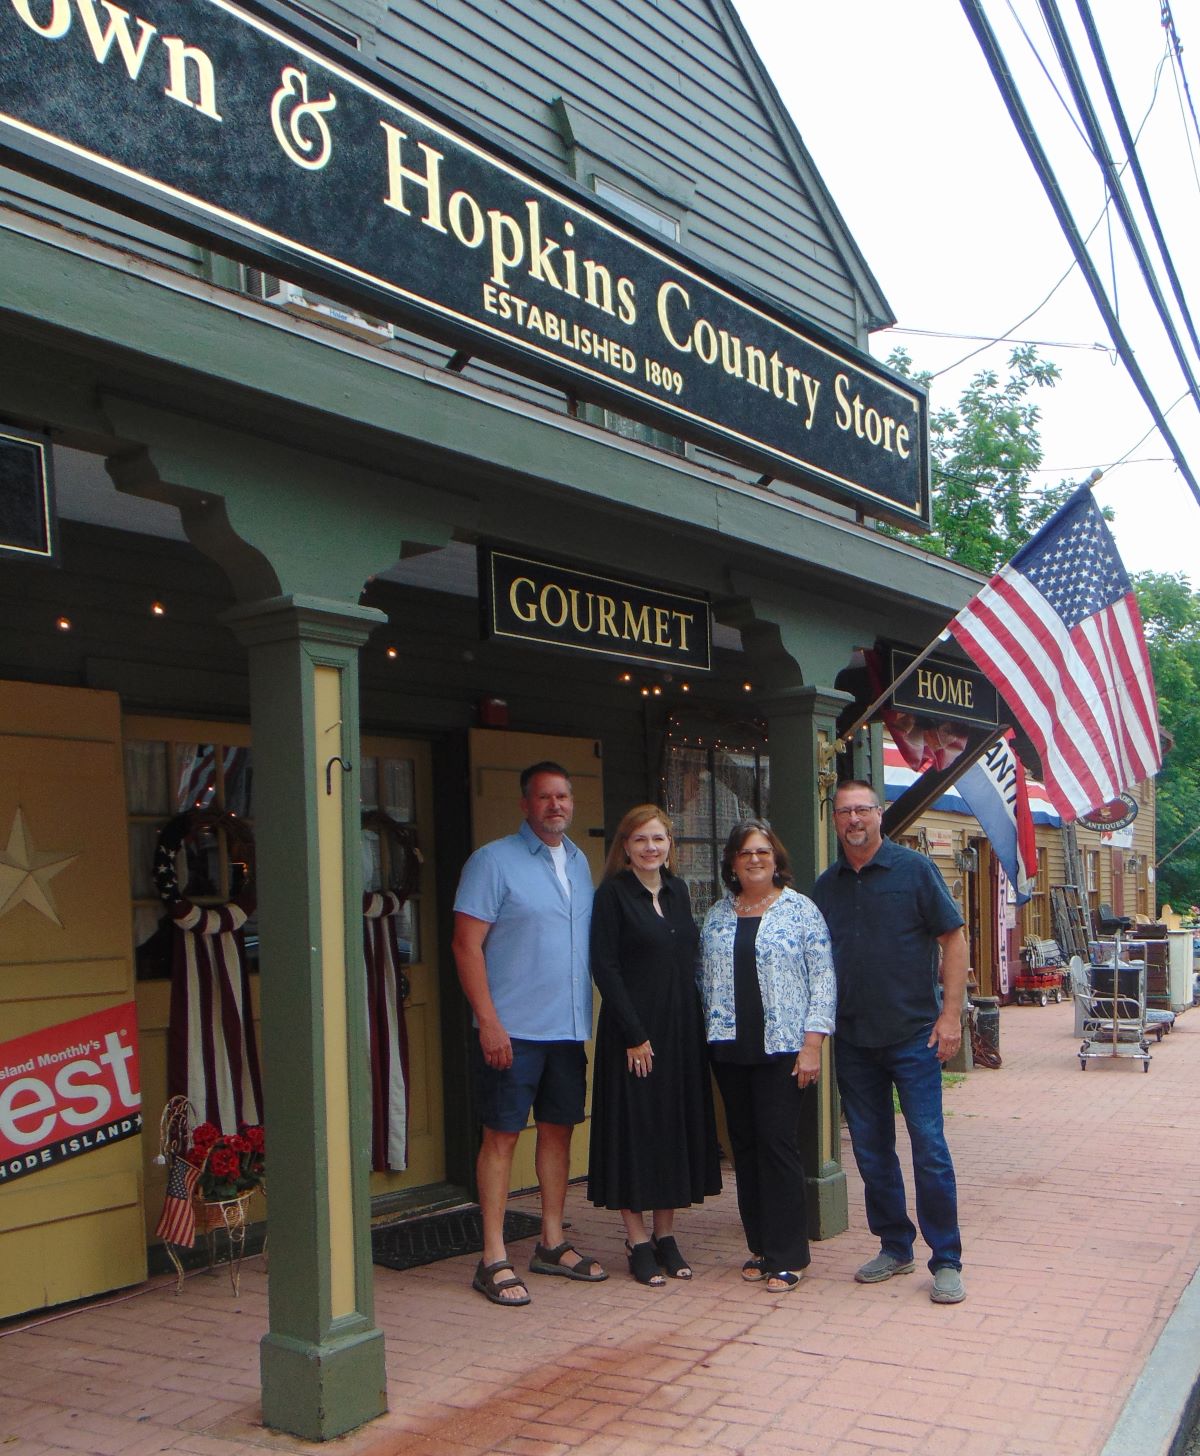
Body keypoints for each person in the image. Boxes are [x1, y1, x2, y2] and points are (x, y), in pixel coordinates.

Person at [452, 761, 607, 1306]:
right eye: (544, 797)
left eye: (563, 796)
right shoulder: (492, 862)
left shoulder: (581, 862)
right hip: (512, 1030)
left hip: (567, 1029)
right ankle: (492, 1255)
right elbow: (465, 946)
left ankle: (551, 1240)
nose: (556, 805)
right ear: (526, 804)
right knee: (501, 1136)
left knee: (559, 1132)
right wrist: (489, 1021)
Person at [812, 779, 968, 1306]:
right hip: (854, 1041)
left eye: (862, 810)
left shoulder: (915, 871)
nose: (853, 820)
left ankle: (945, 1259)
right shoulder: (825, 887)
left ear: (879, 815)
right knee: (873, 1152)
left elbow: (954, 938)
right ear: (834, 821)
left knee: (929, 1149)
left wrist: (951, 1016)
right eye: (843, 812)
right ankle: (894, 1246)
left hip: (914, 1036)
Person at [698, 819, 836, 1293]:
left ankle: (789, 1254)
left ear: (776, 859)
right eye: (744, 853)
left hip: (784, 1049)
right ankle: (759, 1246)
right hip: (730, 1047)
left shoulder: (801, 911)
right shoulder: (717, 916)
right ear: (732, 864)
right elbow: (703, 978)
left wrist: (812, 1043)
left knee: (778, 1145)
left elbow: (823, 979)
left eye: (762, 852)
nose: (754, 859)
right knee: (746, 1148)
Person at [587, 805, 722, 1286]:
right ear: (625, 846)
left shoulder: (679, 891)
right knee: (635, 1133)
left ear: (670, 846)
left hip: (680, 1031)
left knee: (671, 1130)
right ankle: (637, 1239)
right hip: (634, 1035)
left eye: (658, 840)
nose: (650, 848)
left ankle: (666, 1237)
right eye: (641, 840)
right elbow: (605, 968)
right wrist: (634, 1034)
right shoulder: (612, 897)